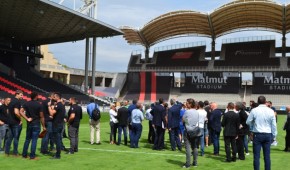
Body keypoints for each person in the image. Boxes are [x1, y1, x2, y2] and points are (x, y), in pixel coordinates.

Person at [246, 96, 277, 170]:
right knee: (267, 156)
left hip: (257, 134)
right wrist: (274, 135)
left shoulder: (254, 110)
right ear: (265, 101)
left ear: (258, 101)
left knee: (256, 156)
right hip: (267, 134)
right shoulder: (270, 111)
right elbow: (274, 124)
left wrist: (253, 123)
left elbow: (248, 122)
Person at [21, 92, 46, 160]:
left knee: (27, 139)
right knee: (34, 140)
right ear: (36, 96)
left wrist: (27, 118)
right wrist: (43, 126)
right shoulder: (39, 105)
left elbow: (21, 111)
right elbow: (41, 116)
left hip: (29, 124)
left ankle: (24, 154)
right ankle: (32, 156)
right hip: (36, 124)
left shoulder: (27, 103)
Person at [5, 90, 23, 156]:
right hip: (16, 122)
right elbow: (16, 112)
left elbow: (7, 111)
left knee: (10, 137)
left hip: (10, 122)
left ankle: (7, 152)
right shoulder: (17, 102)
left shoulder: (11, 101)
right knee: (16, 138)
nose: (22, 96)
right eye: (21, 95)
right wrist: (20, 119)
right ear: (17, 94)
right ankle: (15, 153)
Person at [182, 98, 199, 168]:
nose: (186, 104)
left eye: (187, 103)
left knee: (188, 148)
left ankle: (188, 164)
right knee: (194, 146)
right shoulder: (196, 112)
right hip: (195, 130)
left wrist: (187, 123)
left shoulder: (187, 112)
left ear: (190, 104)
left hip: (188, 130)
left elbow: (183, 120)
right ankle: (195, 162)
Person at [48, 92, 66, 159]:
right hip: (60, 124)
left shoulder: (58, 105)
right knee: (57, 139)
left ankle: (58, 154)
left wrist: (49, 106)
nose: (53, 98)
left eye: (54, 97)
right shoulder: (61, 105)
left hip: (56, 124)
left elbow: (52, 113)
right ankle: (58, 153)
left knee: (57, 140)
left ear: (58, 97)